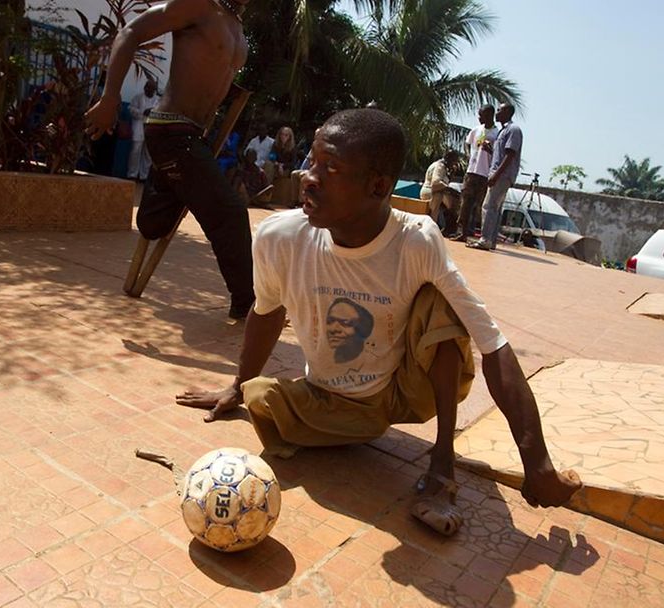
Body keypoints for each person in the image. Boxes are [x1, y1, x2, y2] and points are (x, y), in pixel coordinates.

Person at [177, 108, 581, 537]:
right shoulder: (281, 237)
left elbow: (492, 346)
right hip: (333, 404)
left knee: (442, 301)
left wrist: (537, 464)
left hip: (404, 391)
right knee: (262, 397)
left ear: (379, 187)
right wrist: (237, 385)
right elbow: (267, 312)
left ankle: (442, 468)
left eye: (330, 168)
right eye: (312, 161)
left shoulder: (416, 239)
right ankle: (332, 424)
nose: (309, 177)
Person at [84, 0, 255, 320]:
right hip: (171, 130)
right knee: (229, 212)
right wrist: (110, 98)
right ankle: (248, 302)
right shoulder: (199, 5)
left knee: (156, 223)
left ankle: (159, 199)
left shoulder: (238, 27)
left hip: (196, 134)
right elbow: (130, 32)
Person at [469, 103, 522, 251]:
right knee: (495, 208)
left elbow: (510, 154)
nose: (496, 113)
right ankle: (490, 241)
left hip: (501, 175)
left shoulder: (513, 130)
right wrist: (490, 150)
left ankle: (485, 240)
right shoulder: (504, 131)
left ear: (507, 112)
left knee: (488, 206)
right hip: (500, 174)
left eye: (499, 110)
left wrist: (496, 175)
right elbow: (501, 155)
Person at [454, 104, 499, 241]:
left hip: (486, 174)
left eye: (482, 115)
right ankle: (463, 232)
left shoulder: (497, 133)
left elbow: (499, 154)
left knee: (481, 206)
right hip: (472, 171)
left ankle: (482, 236)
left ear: (490, 115)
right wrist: (468, 155)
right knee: (465, 203)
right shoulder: (476, 130)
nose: (479, 117)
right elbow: (467, 143)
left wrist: (490, 149)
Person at [420, 150, 460, 235]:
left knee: (449, 201)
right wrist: (449, 189)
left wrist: (451, 174)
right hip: (432, 193)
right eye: (453, 161)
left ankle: (444, 228)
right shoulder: (440, 166)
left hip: (427, 192)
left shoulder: (439, 165)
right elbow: (435, 183)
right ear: (448, 159)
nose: (454, 164)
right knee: (453, 204)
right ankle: (446, 229)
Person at [127, 79, 159, 181]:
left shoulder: (158, 100)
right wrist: (142, 112)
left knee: (148, 153)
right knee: (135, 151)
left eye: (151, 88)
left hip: (151, 128)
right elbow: (130, 109)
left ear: (154, 90)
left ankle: (144, 176)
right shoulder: (138, 97)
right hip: (139, 127)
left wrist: (152, 113)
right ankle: (132, 174)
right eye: (147, 87)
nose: (148, 89)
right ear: (145, 87)